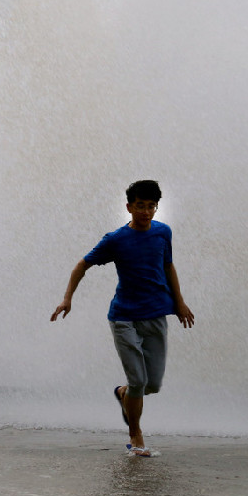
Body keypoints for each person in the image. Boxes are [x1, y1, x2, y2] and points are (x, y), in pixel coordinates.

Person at [50, 180, 195, 457]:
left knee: (152, 385)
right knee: (139, 381)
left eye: (151, 206)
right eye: (140, 206)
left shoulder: (163, 233)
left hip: (155, 315)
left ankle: (123, 393)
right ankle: (135, 434)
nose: (146, 211)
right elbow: (83, 264)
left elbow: (168, 266)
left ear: (156, 208)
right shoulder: (115, 240)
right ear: (129, 207)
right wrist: (67, 298)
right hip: (123, 318)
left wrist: (180, 303)